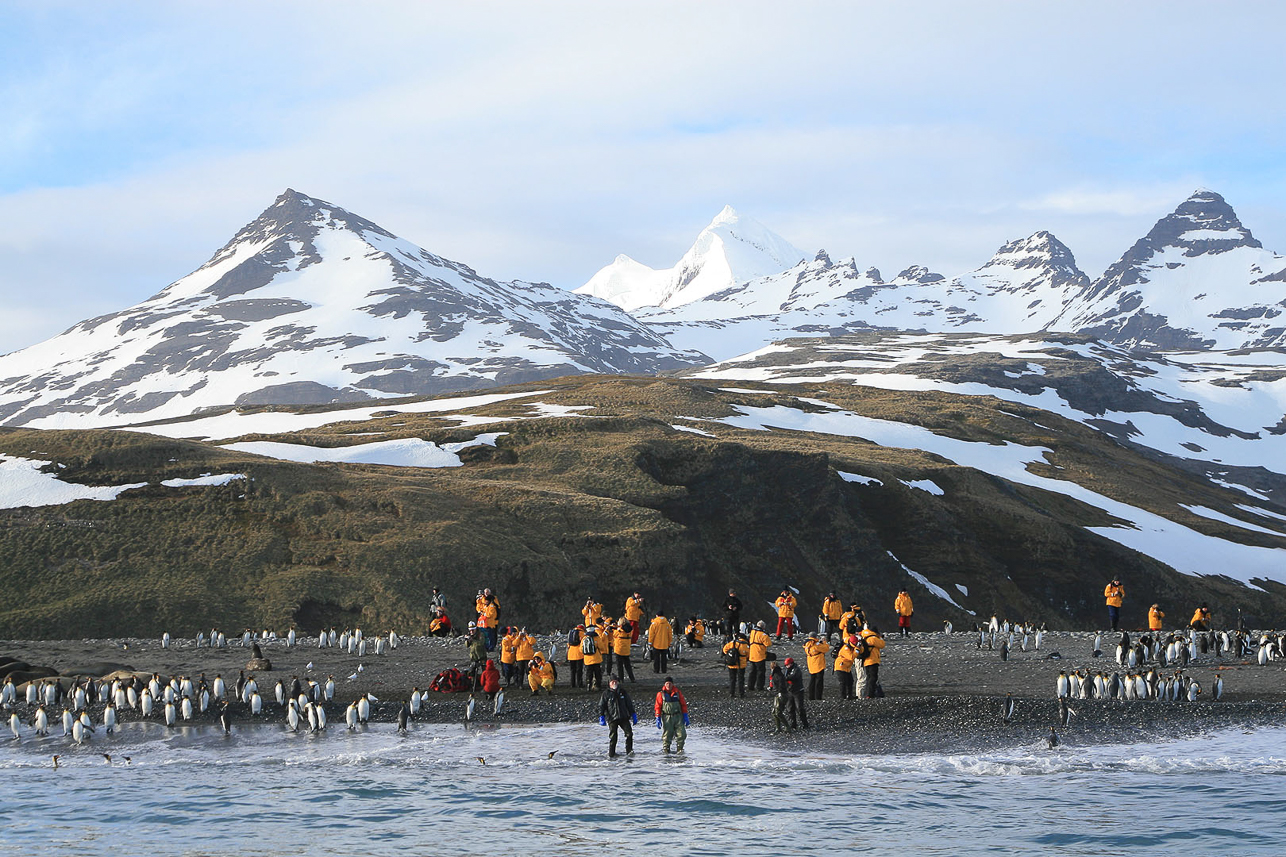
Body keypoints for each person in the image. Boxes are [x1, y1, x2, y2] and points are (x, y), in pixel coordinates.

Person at [598, 677, 637, 757]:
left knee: (629, 734)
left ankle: (629, 752)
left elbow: (629, 703)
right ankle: (611, 754)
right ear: (609, 684)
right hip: (612, 719)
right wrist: (601, 716)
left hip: (624, 717)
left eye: (615, 681)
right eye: (612, 682)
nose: (614, 683)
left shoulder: (623, 692)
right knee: (613, 737)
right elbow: (601, 706)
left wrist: (633, 714)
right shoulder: (606, 694)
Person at [654, 677, 689, 754]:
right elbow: (658, 706)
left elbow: (683, 705)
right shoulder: (661, 694)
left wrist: (685, 716)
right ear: (664, 684)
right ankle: (666, 751)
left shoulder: (678, 693)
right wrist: (658, 717)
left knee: (682, 734)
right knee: (667, 735)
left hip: (678, 716)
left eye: (670, 683)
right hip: (667, 717)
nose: (668, 685)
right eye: (667, 683)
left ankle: (680, 750)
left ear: (672, 684)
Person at [860, 623, 886, 698]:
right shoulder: (873, 638)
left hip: (866, 660)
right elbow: (882, 645)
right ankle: (870, 694)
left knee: (869, 677)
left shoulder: (864, 636)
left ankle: (867, 693)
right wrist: (880, 638)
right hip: (873, 660)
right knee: (873, 677)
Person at [782, 657, 808, 729]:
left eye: (788, 665)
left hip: (798, 691)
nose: (787, 666)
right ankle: (793, 724)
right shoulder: (786, 670)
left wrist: (784, 678)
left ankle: (805, 724)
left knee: (799, 708)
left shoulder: (796, 670)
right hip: (790, 691)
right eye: (786, 665)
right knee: (790, 708)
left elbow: (793, 677)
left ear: (791, 663)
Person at [803, 632, 830, 700]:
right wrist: (824, 642)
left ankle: (811, 697)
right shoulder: (816, 645)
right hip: (818, 664)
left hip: (811, 664)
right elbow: (826, 649)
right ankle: (818, 697)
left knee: (812, 681)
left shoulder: (807, 644)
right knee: (819, 682)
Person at [722, 632, 749, 698]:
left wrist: (729, 655)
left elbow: (724, 649)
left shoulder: (732, 643)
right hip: (741, 665)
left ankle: (732, 693)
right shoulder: (745, 645)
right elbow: (748, 655)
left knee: (732, 679)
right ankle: (741, 693)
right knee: (741, 679)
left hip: (731, 664)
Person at [747, 620, 772, 691]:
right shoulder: (762, 635)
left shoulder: (752, 632)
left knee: (752, 672)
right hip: (760, 656)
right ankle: (759, 687)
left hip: (752, 655)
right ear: (763, 627)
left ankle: (750, 686)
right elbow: (768, 644)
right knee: (760, 672)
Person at [581, 625, 604, 691]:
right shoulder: (597, 638)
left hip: (587, 660)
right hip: (596, 659)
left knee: (589, 673)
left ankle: (588, 685)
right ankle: (598, 686)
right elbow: (602, 647)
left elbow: (581, 649)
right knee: (597, 673)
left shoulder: (584, 638)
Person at [834, 635, 858, 700]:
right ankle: (842, 697)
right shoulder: (846, 648)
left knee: (850, 681)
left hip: (846, 667)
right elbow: (851, 657)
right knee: (843, 682)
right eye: (854, 643)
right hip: (840, 666)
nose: (855, 644)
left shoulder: (851, 647)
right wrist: (857, 650)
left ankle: (849, 695)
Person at [770, 663, 789, 732]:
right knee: (774, 712)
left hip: (781, 694)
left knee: (778, 712)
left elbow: (781, 684)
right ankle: (778, 728)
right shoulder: (777, 674)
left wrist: (780, 692)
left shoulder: (778, 675)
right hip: (778, 694)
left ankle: (787, 727)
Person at [567, 624, 586, 688]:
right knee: (579, 670)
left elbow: (568, 644)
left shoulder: (571, 633)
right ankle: (579, 684)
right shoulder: (582, 633)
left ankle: (572, 684)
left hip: (570, 654)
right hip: (579, 654)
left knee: (572, 670)